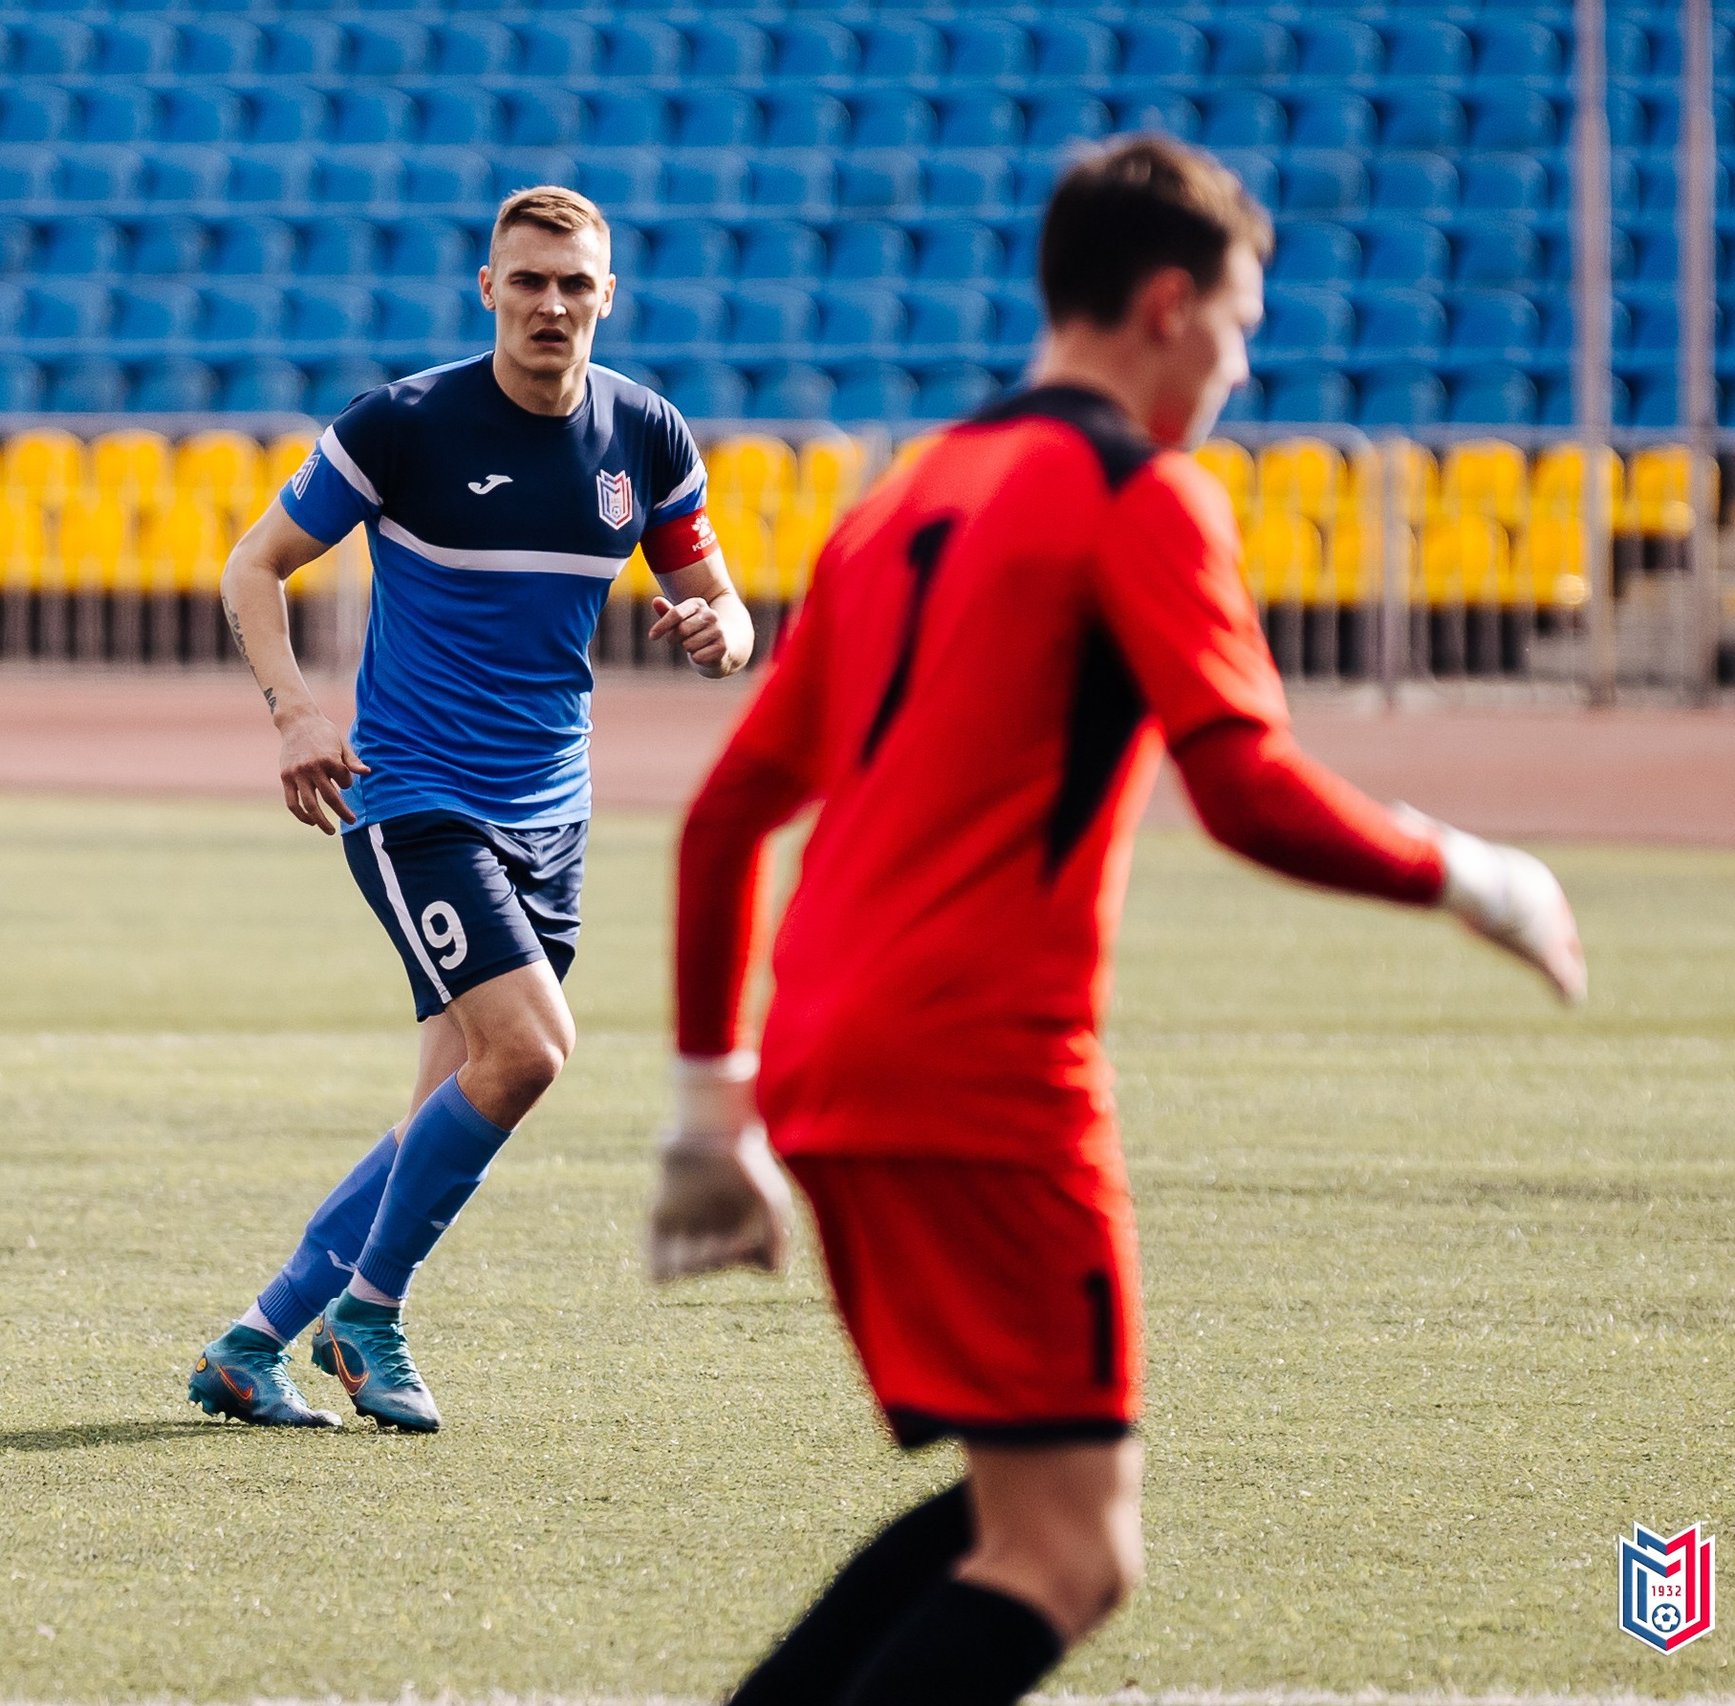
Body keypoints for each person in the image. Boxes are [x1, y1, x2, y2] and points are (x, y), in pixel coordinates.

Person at [648, 135, 1586, 1706]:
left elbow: (727, 814)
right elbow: (1249, 789)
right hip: (982, 1072)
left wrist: (708, 1105)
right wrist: (1478, 876)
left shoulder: (898, 500)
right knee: (1073, 1552)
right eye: (1239, 326)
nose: (1240, 369)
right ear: (1167, 305)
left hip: (821, 1058)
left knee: (1019, 1509)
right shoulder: (1135, 494)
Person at [188, 185, 756, 1433]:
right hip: (414, 796)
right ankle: (369, 1313)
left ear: (607, 297)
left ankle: (250, 1344)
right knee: (531, 1049)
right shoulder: (403, 424)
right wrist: (294, 713)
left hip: (552, 810)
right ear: (488, 288)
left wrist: (722, 631)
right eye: (528, 280)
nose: (550, 303)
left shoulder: (645, 436)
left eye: (574, 283)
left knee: (450, 1102)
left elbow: (723, 605)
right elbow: (253, 564)